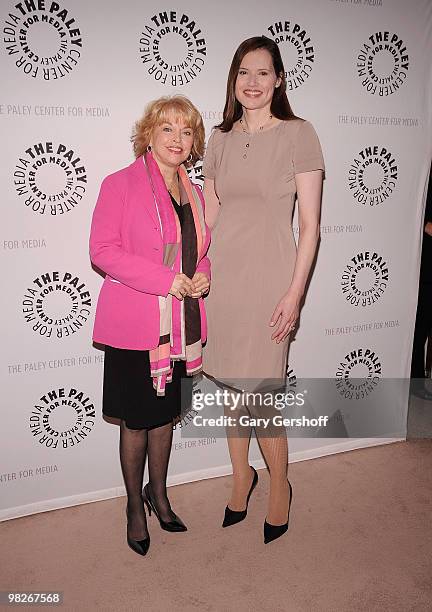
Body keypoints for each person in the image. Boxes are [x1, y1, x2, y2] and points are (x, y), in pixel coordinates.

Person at [202, 36, 324, 544]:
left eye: (263, 72)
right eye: (243, 72)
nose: (252, 82)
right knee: (230, 388)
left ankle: (279, 486)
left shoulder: (299, 133)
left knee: (261, 395)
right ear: (234, 80)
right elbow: (209, 215)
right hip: (223, 281)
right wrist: (189, 273)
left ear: (278, 79)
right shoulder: (220, 139)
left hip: (270, 279)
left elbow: (311, 226)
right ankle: (240, 477)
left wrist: (294, 293)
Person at [89, 96, 211, 556]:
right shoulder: (119, 184)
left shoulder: (192, 193)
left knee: (165, 418)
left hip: (179, 324)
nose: (177, 139)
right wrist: (166, 280)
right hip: (136, 325)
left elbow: (199, 253)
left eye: (186, 132)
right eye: (168, 129)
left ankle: (158, 496)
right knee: (138, 421)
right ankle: (133, 507)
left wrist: (203, 275)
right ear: (149, 134)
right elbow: (102, 250)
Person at [410, 163, 432, 400]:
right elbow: (422, 221)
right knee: (420, 329)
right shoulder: (424, 177)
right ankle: (415, 383)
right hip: (426, 269)